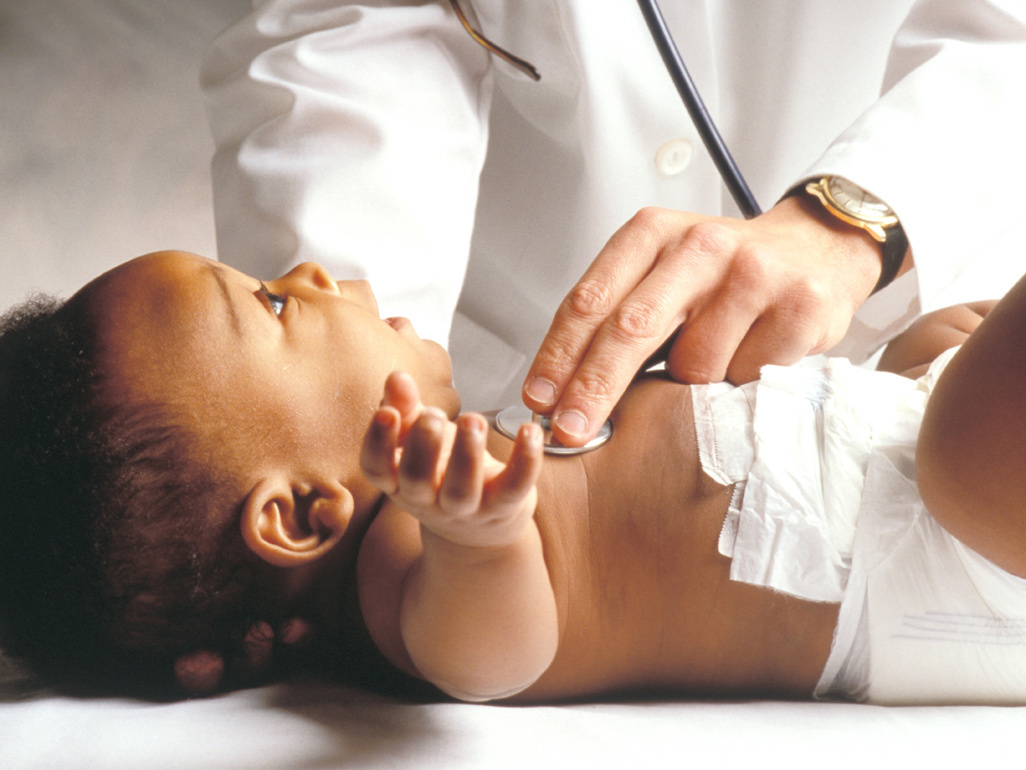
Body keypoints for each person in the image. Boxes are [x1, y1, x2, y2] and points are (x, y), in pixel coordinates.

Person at [2, 249, 1025, 704]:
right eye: (271, 305)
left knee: (945, 338)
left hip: (902, 473)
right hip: (935, 561)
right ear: (301, 512)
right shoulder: (405, 563)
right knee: (976, 422)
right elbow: (485, 660)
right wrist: (479, 540)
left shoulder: (446, 477)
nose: (310, 272)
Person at [203, 0, 1026, 448]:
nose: (305, 283)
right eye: (274, 305)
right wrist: (355, 419)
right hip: (511, 381)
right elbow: (345, 33)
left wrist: (851, 218)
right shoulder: (462, 522)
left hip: (956, 312)